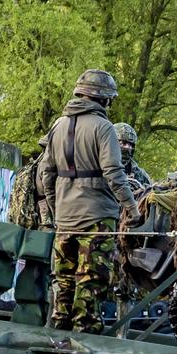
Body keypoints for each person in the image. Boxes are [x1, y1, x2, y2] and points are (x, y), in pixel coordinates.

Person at [40, 69, 141, 334]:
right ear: (104, 99)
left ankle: (58, 335)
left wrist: (55, 207)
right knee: (91, 280)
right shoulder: (103, 127)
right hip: (97, 218)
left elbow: (45, 173)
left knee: (63, 280)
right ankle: (85, 339)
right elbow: (113, 172)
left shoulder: (58, 126)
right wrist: (131, 207)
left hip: (65, 218)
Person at [113, 122, 153, 191]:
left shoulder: (140, 174)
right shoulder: (97, 168)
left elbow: (151, 194)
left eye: (131, 145)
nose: (128, 147)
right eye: (124, 143)